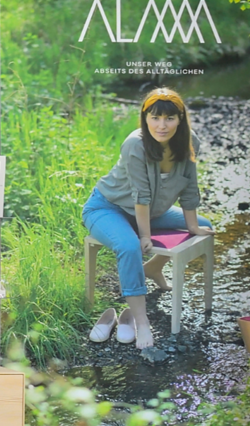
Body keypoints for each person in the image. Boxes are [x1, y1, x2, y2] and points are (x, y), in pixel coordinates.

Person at [82, 87, 213, 349]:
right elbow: (140, 195)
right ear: (145, 118)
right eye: (155, 118)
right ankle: (142, 322)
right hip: (108, 209)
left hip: (150, 213)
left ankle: (152, 268)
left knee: (204, 226)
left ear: (180, 119)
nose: (161, 126)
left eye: (169, 118)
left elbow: (189, 186)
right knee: (129, 246)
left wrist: (192, 225)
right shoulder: (136, 144)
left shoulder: (190, 142)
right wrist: (144, 235)